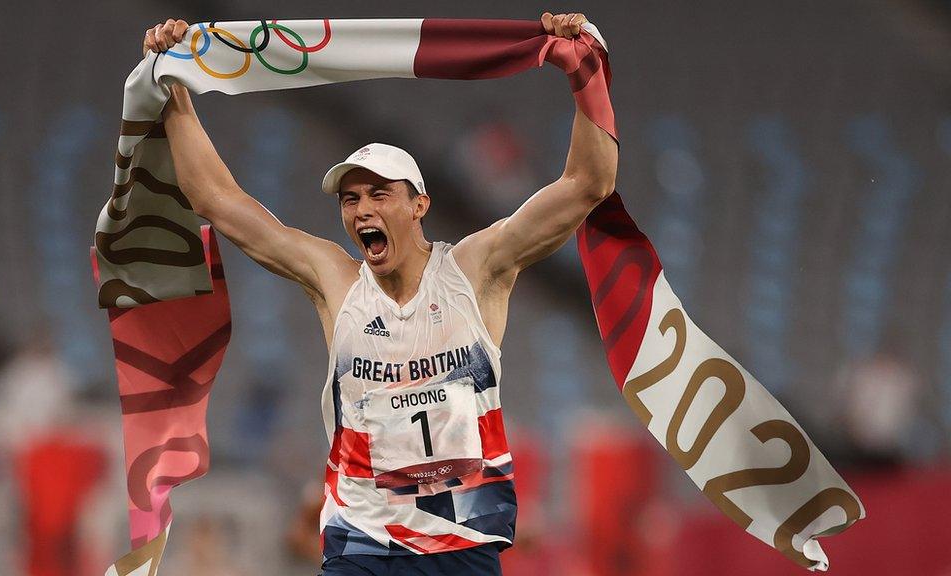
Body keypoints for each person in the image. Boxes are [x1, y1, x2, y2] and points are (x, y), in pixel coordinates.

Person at [143, 11, 617, 575]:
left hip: (461, 547)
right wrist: (173, 87)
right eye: (349, 200)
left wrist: (587, 72)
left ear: (419, 204)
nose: (362, 209)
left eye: (378, 194)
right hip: (362, 548)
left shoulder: (475, 269)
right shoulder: (337, 283)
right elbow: (216, 199)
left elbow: (589, 183)